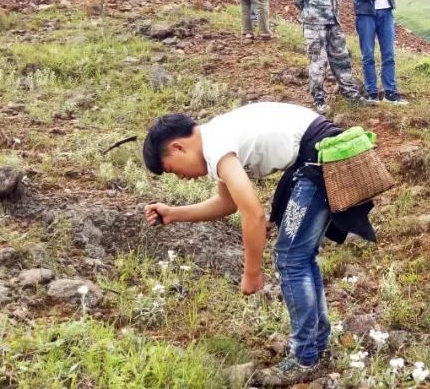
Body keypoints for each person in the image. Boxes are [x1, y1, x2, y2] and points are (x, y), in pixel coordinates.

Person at [141, 103, 376, 385]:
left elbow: (253, 213)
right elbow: (227, 204)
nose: (181, 176)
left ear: (178, 148)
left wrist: (252, 272)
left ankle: (304, 358)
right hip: (318, 155)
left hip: (319, 157)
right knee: (299, 257)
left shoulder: (216, 146)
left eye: (172, 170)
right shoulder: (217, 136)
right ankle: (316, 344)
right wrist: (175, 213)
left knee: (291, 259)